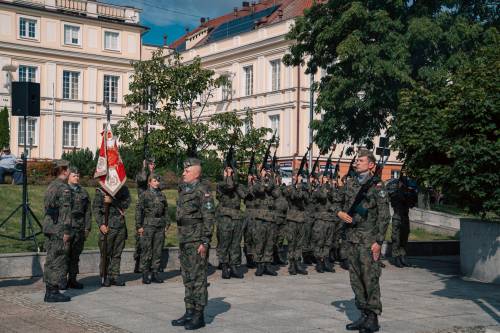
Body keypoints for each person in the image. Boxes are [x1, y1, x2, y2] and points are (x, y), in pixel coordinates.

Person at [334, 150, 390, 333]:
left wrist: (378, 242)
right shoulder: (350, 183)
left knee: (370, 278)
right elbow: (336, 202)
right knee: (355, 279)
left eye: (361, 160)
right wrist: (339, 213)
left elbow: (384, 216)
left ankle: (373, 317)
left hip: (368, 241)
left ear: (371, 164)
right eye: (356, 160)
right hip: (351, 240)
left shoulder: (377, 187)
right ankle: (363, 315)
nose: (356, 163)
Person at [171, 158, 215, 330]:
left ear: (196, 172)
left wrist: (205, 241)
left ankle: (199, 315)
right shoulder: (184, 190)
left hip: (197, 241)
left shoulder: (202, 191)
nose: (183, 173)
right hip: (185, 240)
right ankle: (189, 311)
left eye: (187, 171)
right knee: (187, 277)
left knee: (198, 278)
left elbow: (209, 218)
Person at [42, 160, 72, 302]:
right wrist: (66, 231)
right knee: (58, 258)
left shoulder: (51, 186)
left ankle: (49, 290)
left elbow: (46, 206)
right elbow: (65, 211)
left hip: (49, 226)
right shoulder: (63, 188)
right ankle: (53, 291)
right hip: (58, 228)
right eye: (69, 169)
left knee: (50, 258)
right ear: (64, 171)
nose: (70, 172)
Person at [93, 184, 131, 287]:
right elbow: (96, 209)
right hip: (108, 225)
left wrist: (112, 201)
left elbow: (126, 204)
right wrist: (101, 224)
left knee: (117, 254)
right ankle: (105, 277)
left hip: (120, 225)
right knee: (106, 253)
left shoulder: (123, 189)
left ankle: (115, 277)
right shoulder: (101, 190)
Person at [136, 173, 170, 284]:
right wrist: (139, 226)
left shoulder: (162, 195)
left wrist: (167, 224)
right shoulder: (144, 195)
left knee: (158, 249)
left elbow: (166, 210)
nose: (156, 183)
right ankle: (145, 273)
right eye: (154, 181)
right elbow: (138, 211)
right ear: (149, 182)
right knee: (147, 249)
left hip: (160, 225)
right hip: (148, 225)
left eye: (158, 181)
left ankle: (155, 273)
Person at [134, 158, 166, 273]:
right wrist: (144, 168)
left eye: (153, 164)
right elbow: (142, 179)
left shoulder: (155, 178)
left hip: (156, 218)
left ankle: (154, 269)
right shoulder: (142, 177)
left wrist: (153, 173)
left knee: (156, 246)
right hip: (145, 215)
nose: (152, 165)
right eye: (150, 163)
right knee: (142, 243)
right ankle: (140, 266)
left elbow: (161, 186)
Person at [63, 167, 91, 290]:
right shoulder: (63, 190)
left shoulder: (84, 192)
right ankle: (62, 280)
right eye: (74, 175)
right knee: (64, 255)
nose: (77, 177)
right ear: (68, 176)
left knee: (75, 256)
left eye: (78, 175)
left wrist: (87, 228)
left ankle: (72, 279)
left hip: (79, 228)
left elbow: (88, 212)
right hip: (66, 228)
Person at [216, 166, 246, 279]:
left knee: (235, 243)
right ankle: (224, 266)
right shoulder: (220, 185)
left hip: (237, 218)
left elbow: (244, 195)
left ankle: (234, 266)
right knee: (224, 243)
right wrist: (227, 176)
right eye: (227, 170)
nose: (230, 172)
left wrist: (236, 180)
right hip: (225, 218)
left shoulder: (238, 185)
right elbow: (229, 186)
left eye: (231, 170)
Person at [250, 166, 279, 277]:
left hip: (271, 217)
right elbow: (260, 190)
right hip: (260, 218)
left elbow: (277, 194)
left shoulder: (272, 183)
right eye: (263, 171)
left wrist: (270, 182)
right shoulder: (256, 183)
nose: (266, 173)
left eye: (266, 171)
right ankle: (260, 264)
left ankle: (267, 263)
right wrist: (262, 179)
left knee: (270, 242)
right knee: (259, 242)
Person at [387, 176, 417, 268]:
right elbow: (396, 200)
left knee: (404, 237)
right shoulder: (395, 192)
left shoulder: (408, 192)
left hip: (405, 216)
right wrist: (401, 190)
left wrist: (412, 193)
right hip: (397, 217)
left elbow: (411, 204)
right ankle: (396, 257)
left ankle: (403, 256)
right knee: (396, 238)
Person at [311, 173, 337, 273]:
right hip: (320, 220)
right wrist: (323, 185)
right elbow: (322, 196)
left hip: (330, 219)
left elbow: (336, 198)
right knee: (319, 242)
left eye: (327, 177)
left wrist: (331, 186)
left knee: (328, 242)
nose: (327, 179)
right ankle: (319, 262)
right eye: (324, 177)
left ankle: (326, 261)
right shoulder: (317, 189)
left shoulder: (331, 188)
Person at [284, 173, 309, 275]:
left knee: (299, 243)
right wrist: (298, 185)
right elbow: (296, 197)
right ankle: (292, 264)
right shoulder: (289, 188)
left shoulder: (304, 188)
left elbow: (307, 199)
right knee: (292, 242)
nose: (300, 178)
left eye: (300, 177)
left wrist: (303, 187)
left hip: (302, 219)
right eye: (297, 177)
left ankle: (298, 262)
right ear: (293, 177)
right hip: (292, 219)